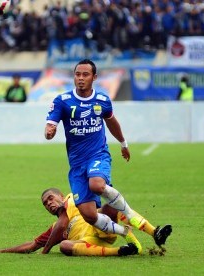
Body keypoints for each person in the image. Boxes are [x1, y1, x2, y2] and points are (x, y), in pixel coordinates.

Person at [44, 59, 172, 254]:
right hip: (77, 164)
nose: (80, 78)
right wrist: (49, 131)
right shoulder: (62, 101)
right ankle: (124, 231)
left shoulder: (102, 100)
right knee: (89, 215)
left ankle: (137, 220)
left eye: (85, 75)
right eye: (77, 74)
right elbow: (50, 124)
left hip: (98, 154)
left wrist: (123, 143)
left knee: (97, 185)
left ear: (94, 77)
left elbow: (112, 122)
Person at [0, 188, 139, 257]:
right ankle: (120, 251)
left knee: (110, 206)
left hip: (103, 228)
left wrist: (45, 251)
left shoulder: (72, 200)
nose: (49, 203)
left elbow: (62, 224)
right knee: (65, 245)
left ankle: (144, 232)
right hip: (89, 242)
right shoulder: (55, 229)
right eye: (45, 204)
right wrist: (2, 251)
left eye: (50, 198)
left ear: (61, 196)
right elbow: (32, 245)